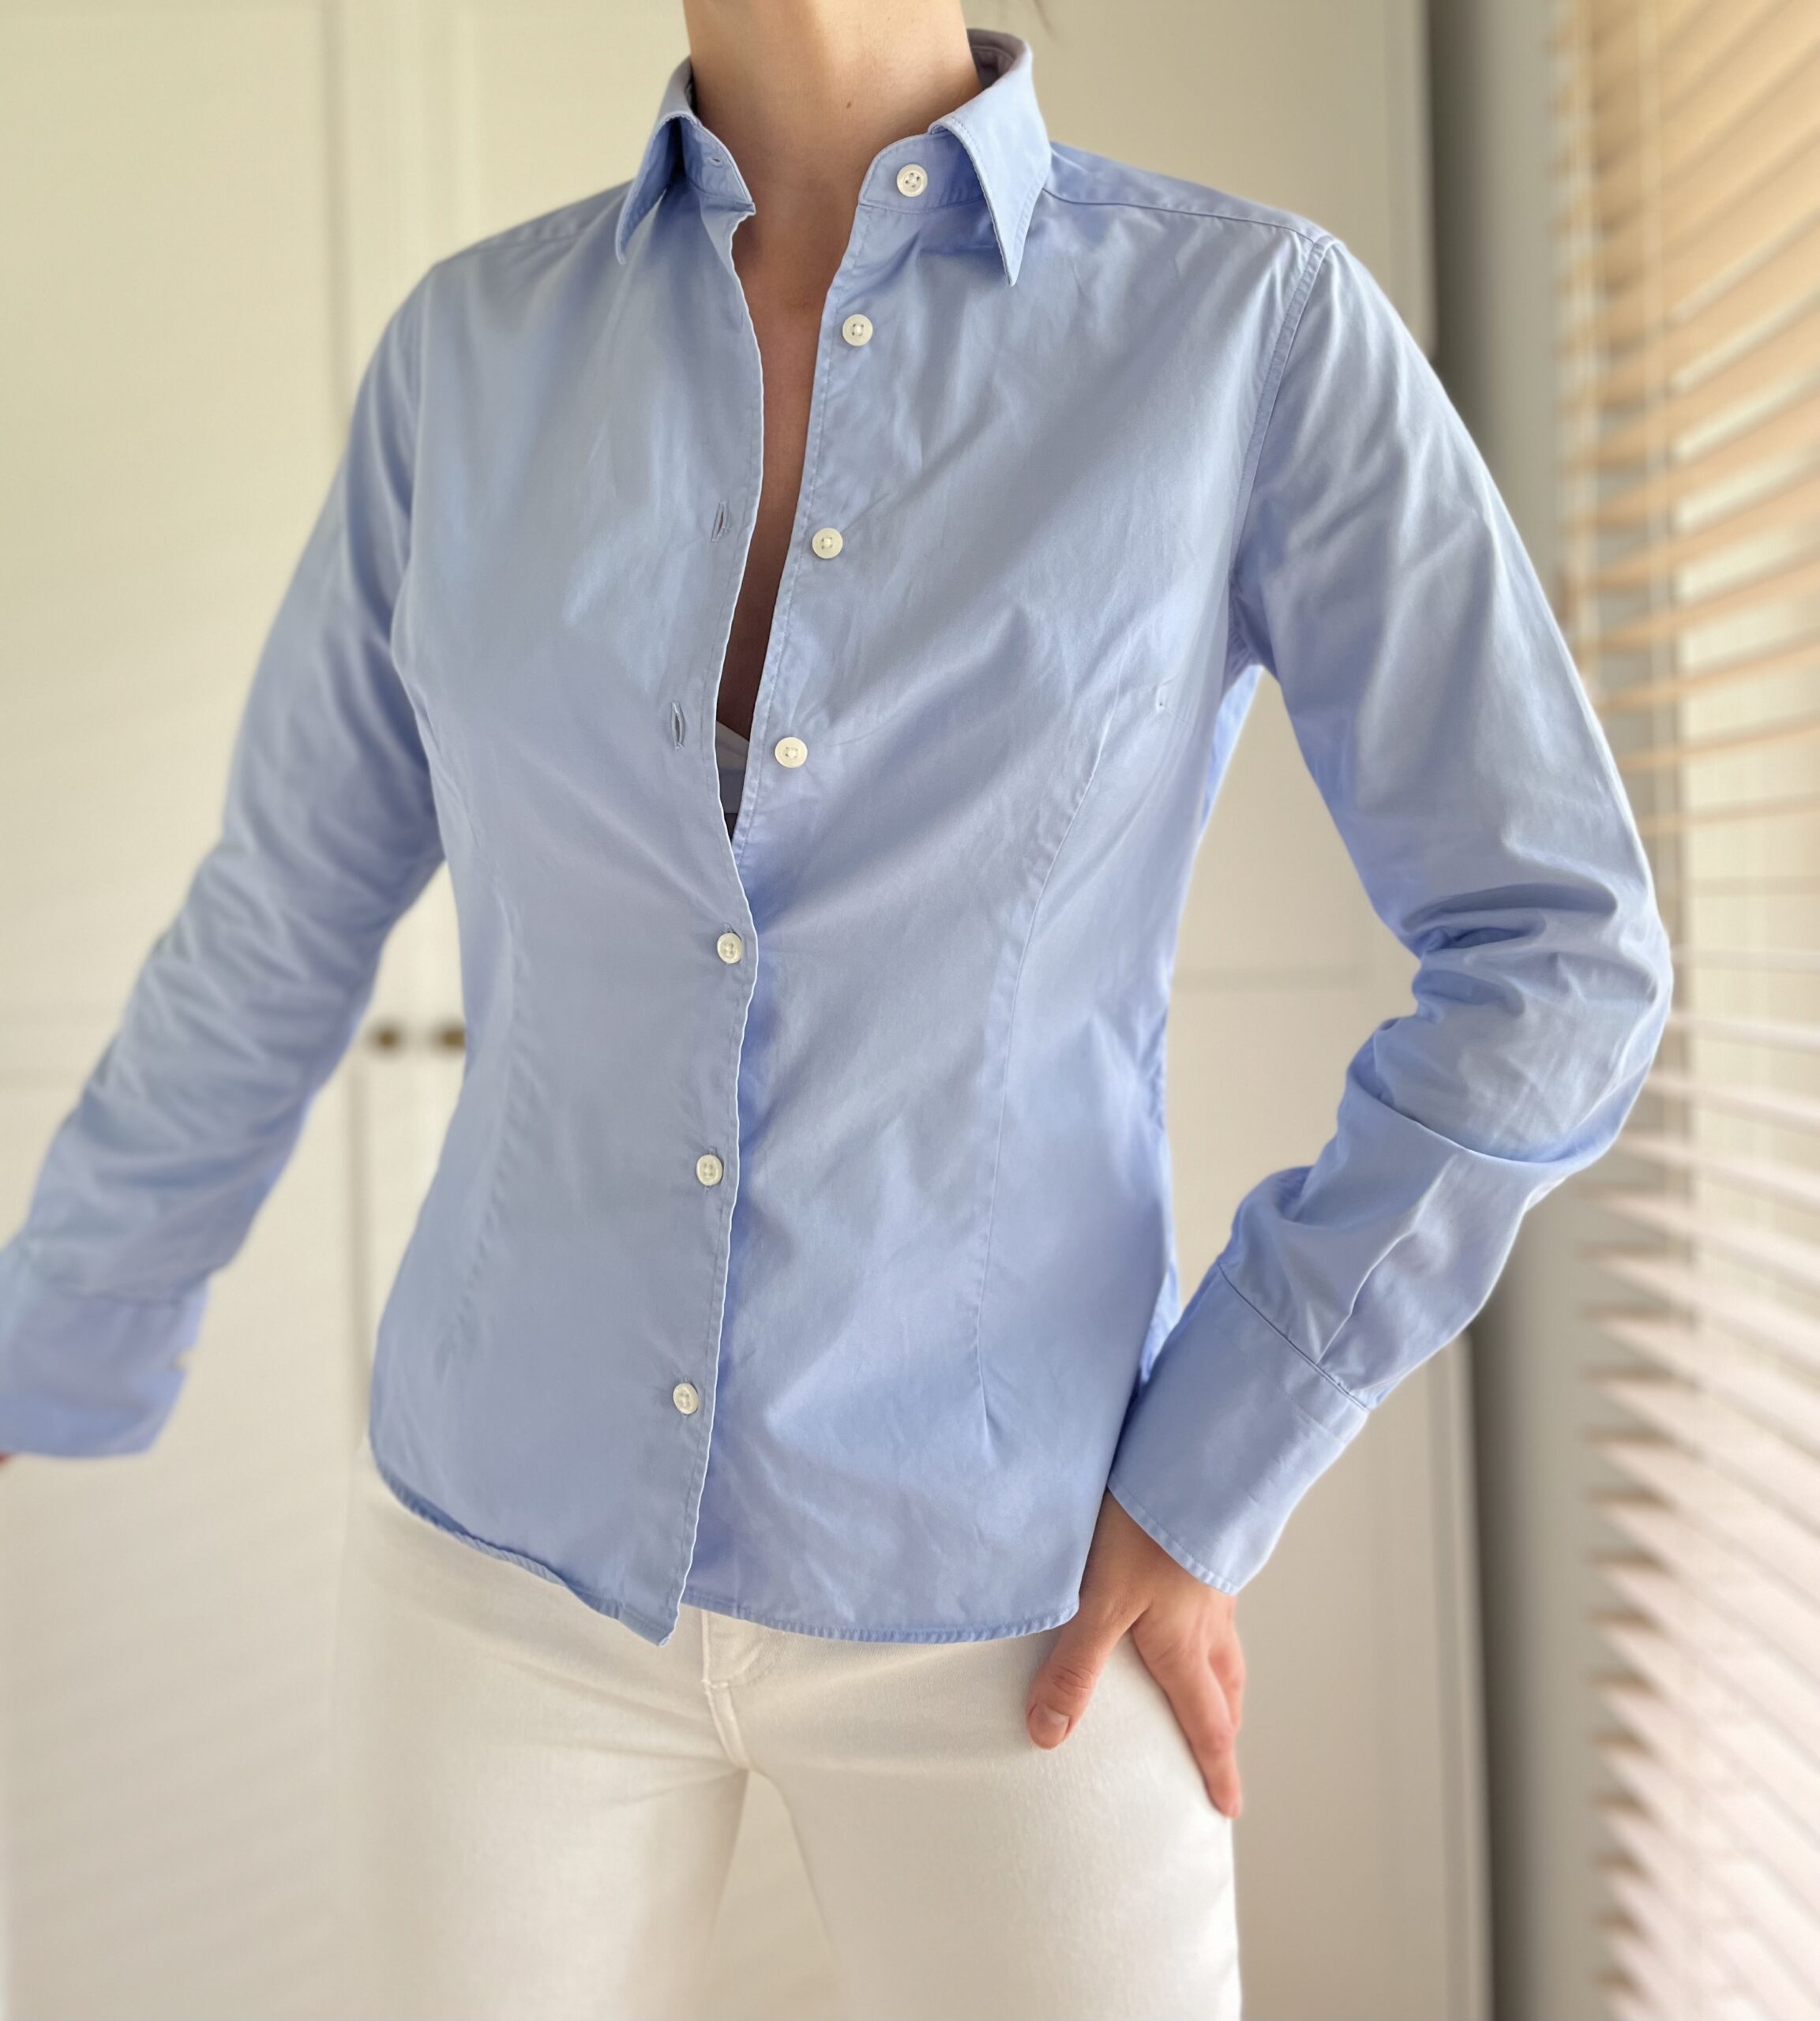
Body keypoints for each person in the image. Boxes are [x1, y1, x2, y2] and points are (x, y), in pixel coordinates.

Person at [0, 4, 1670, 2016]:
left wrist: (1219, 1451)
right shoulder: (466, 358)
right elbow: (277, 913)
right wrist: (43, 1346)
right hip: (499, 1565)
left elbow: (1555, 946)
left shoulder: (1248, 327)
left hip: (1019, 1589)